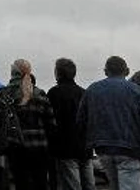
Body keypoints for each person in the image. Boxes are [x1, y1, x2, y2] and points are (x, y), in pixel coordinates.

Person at [77, 56, 140, 190]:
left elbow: (81, 120)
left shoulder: (92, 90)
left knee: (114, 186)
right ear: (127, 71)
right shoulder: (136, 90)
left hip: (102, 148)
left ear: (105, 71)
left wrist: (88, 142)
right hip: (130, 148)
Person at [0, 59, 57, 190]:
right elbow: (51, 123)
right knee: (40, 182)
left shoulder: (2, 94)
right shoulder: (39, 93)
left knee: (21, 182)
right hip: (39, 147)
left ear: (12, 73)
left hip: (15, 147)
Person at [47, 58, 95, 190]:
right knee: (89, 183)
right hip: (85, 146)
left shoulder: (53, 93)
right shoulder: (84, 93)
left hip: (65, 147)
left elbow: (50, 121)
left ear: (58, 73)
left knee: (72, 184)